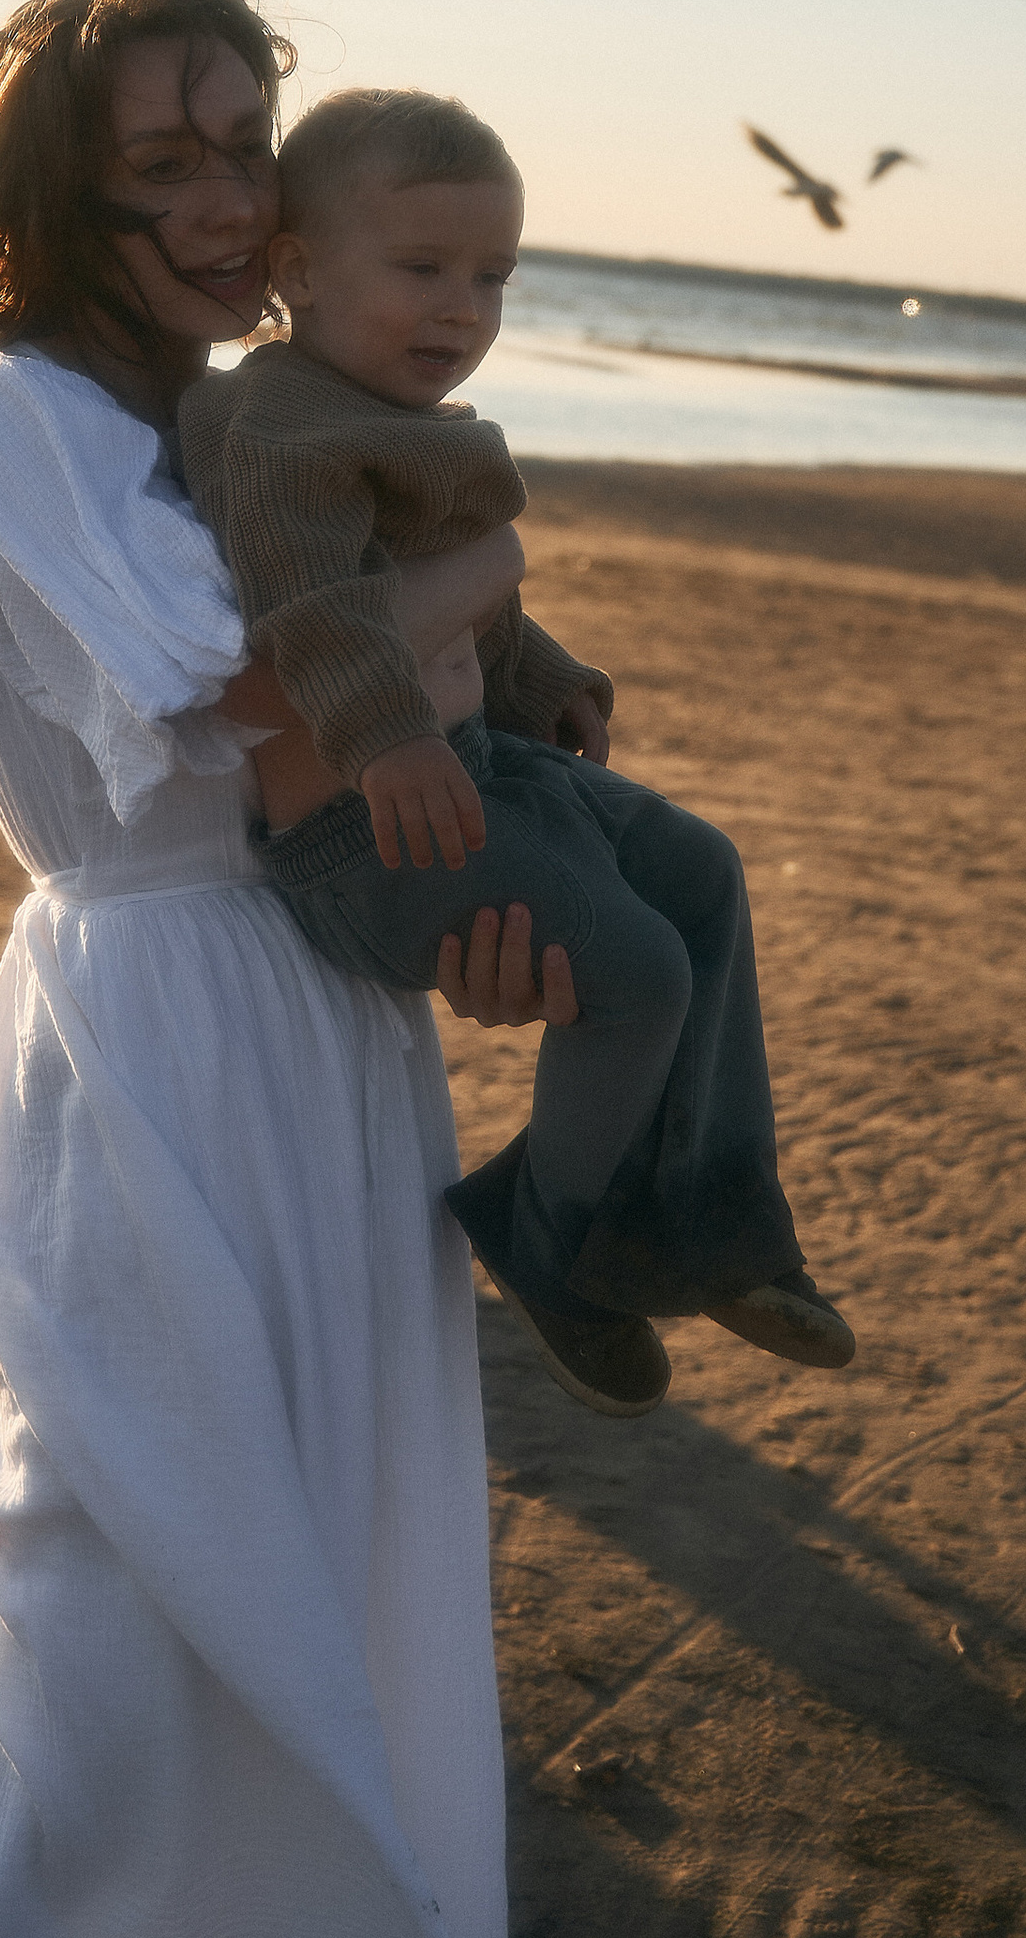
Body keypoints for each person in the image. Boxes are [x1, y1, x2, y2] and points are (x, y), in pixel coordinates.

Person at [0, 0, 566, 1938]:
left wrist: (481, 921)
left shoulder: (248, 417)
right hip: (150, 1050)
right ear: (63, 190)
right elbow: (248, 696)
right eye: (167, 160)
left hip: (327, 1029)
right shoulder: (5, 422)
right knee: (98, 1642)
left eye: (249, 146)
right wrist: (496, 550)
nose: (230, 201)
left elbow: (374, 748)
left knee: (306, 1596)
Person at [181, 86, 853, 1425]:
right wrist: (385, 744)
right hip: (366, 828)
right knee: (636, 973)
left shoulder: (392, 415)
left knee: (703, 873)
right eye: (421, 270)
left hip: (471, 768)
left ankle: (720, 1220)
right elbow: (315, 613)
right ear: (299, 274)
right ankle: (552, 1244)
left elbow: (464, 597)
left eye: (492, 278)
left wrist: (544, 682)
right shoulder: (279, 430)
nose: (461, 310)